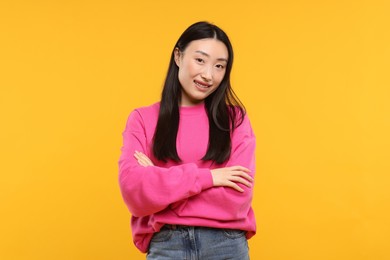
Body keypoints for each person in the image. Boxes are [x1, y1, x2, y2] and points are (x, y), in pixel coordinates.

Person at [118, 21, 256, 259]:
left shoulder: (235, 119)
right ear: (178, 56)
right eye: (200, 60)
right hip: (167, 247)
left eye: (219, 66)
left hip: (226, 247)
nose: (208, 75)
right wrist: (210, 177)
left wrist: (161, 185)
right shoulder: (142, 119)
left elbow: (237, 197)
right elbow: (134, 192)